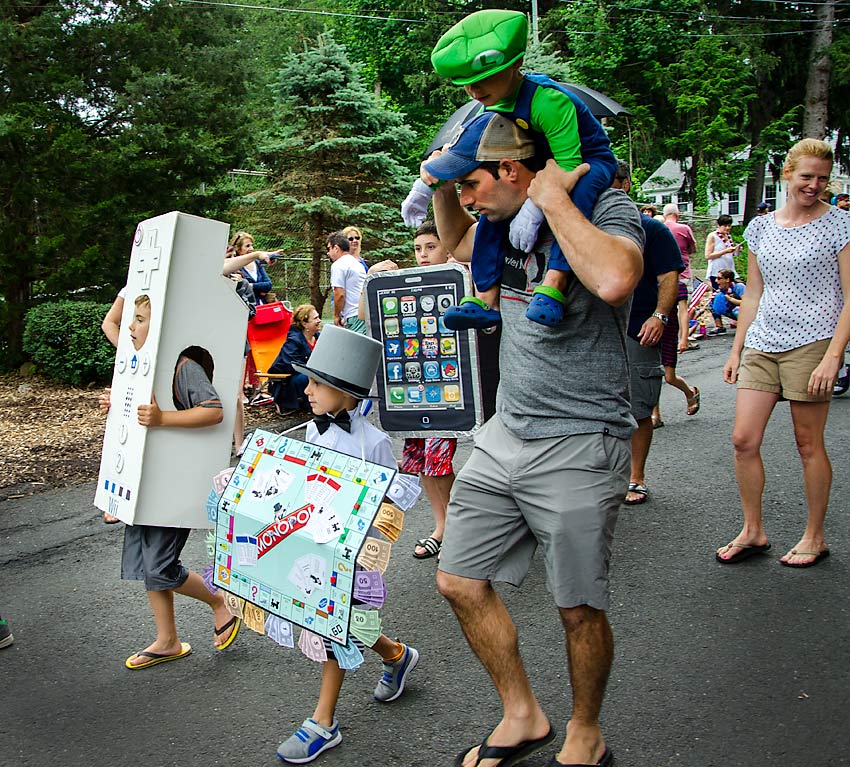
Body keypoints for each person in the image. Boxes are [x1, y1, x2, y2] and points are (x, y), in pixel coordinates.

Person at [425, 110, 643, 767]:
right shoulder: (494, 226)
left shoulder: (605, 206)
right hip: (506, 431)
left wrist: (554, 200)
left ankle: (585, 729)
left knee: (577, 608)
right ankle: (522, 712)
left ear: (513, 171)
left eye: (472, 184)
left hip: (581, 438)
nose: (466, 199)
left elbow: (613, 277)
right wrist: (441, 180)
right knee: (458, 580)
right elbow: (457, 240)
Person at [404, 9, 617, 329]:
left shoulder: (548, 102)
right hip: (542, 168)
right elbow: (456, 156)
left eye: (484, 79)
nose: (475, 91)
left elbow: (569, 169)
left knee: (581, 192)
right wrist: (422, 191)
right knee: (493, 216)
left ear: (515, 65)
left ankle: (555, 282)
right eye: (467, 83)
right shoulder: (492, 104)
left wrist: (534, 207)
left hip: (585, 161)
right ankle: (486, 297)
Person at [276, 325, 419, 763]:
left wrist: (366, 530)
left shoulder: (372, 442)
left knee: (332, 623)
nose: (309, 389)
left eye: (319, 383)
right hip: (316, 540)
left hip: (355, 551)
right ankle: (396, 654)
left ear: (347, 394)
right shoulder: (312, 429)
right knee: (341, 621)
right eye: (310, 380)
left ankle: (324, 721)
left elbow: (392, 497)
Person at [717, 138, 850, 568]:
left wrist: (833, 356)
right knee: (743, 440)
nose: (814, 185)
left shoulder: (840, 225)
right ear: (787, 174)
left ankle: (815, 535)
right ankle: (753, 530)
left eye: (823, 179)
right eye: (807, 176)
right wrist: (737, 348)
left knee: (807, 442)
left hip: (813, 342)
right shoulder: (760, 228)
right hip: (762, 341)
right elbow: (753, 292)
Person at [99, 294, 241, 668]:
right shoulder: (139, 363)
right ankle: (167, 640)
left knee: (161, 565)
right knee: (148, 562)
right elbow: (110, 326)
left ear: (162, 326)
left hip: (172, 479)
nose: (131, 326)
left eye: (141, 319)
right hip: (144, 480)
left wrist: (162, 419)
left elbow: (213, 411)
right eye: (132, 318)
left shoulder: (182, 366)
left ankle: (218, 600)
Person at [609, 163, 684, 506]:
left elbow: (669, 276)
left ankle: (636, 477)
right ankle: (607, 476)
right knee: (599, 409)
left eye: (612, 183)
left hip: (640, 328)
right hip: (598, 331)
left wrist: (660, 315)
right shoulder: (593, 227)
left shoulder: (651, 228)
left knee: (639, 406)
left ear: (625, 184)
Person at [267, 303, 321, 414]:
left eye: (318, 317)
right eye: (315, 318)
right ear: (305, 324)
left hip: (309, 373)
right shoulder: (293, 340)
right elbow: (292, 364)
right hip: (288, 381)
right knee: (309, 377)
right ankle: (314, 409)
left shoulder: (318, 337)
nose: (319, 320)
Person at [328, 231, 368, 334]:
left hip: (353, 315)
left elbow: (339, 294)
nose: (328, 253)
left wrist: (336, 316)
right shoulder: (357, 263)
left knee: (355, 348)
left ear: (336, 248)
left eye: (329, 249)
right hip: (364, 312)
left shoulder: (338, 265)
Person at [230, 230, 276, 305]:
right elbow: (241, 289)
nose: (251, 248)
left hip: (262, 304)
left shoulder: (257, 263)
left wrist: (251, 285)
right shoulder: (234, 266)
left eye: (251, 245)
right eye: (247, 246)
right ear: (237, 248)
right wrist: (260, 288)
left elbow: (268, 285)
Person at [705, 214, 740, 290]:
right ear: (719, 225)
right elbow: (708, 256)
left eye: (729, 226)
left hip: (729, 270)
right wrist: (724, 251)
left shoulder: (729, 236)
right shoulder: (712, 236)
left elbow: (732, 254)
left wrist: (737, 250)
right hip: (717, 271)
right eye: (725, 226)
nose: (727, 228)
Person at [662, 203, 696, 283]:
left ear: (664, 215)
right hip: (683, 274)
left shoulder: (657, 228)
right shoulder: (684, 228)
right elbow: (693, 249)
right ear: (678, 214)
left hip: (663, 274)